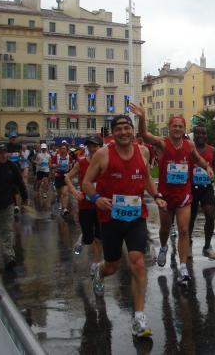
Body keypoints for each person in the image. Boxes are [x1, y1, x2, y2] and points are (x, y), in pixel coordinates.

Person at [82, 114, 167, 337]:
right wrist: (95, 199)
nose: (123, 132)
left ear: (132, 131)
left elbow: (147, 176)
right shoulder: (103, 154)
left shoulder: (143, 151)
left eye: (127, 128)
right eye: (118, 129)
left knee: (138, 262)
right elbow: (86, 183)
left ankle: (139, 317)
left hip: (136, 216)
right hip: (110, 218)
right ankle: (98, 271)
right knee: (112, 266)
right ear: (112, 133)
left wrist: (156, 195)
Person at [130, 104, 214, 286]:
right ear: (169, 128)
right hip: (166, 195)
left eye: (180, 126)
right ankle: (163, 246)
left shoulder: (189, 145)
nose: (177, 129)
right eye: (174, 126)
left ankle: (183, 268)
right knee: (165, 229)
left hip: (183, 195)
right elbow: (144, 135)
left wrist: (206, 167)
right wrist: (142, 117)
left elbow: (197, 159)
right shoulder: (162, 143)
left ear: (184, 130)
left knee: (184, 230)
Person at [65, 136, 104, 275]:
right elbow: (67, 177)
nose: (93, 149)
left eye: (95, 146)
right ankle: (83, 238)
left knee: (99, 237)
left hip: (100, 205)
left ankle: (96, 264)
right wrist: (74, 191)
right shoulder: (81, 163)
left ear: (101, 147)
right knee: (89, 238)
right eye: (90, 146)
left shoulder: (106, 163)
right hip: (85, 205)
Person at [189, 125, 215, 260]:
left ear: (206, 135)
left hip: (206, 188)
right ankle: (188, 243)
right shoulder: (190, 149)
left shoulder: (212, 150)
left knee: (210, 216)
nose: (201, 136)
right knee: (190, 219)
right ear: (194, 135)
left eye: (203, 134)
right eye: (198, 134)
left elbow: (213, 163)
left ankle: (207, 246)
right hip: (191, 187)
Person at [51, 142, 74, 218]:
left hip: (65, 177)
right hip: (58, 176)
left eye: (64, 148)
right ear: (59, 149)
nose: (63, 150)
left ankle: (64, 209)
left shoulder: (69, 157)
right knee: (59, 193)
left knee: (65, 193)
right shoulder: (56, 157)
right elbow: (50, 164)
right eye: (62, 148)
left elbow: (71, 167)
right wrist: (55, 165)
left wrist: (70, 172)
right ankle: (60, 201)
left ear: (66, 149)